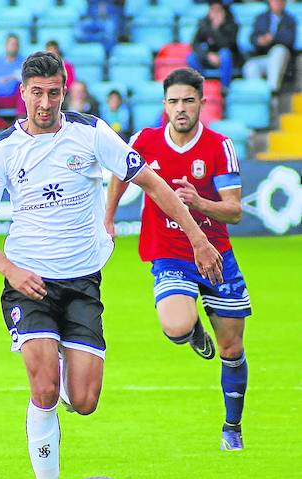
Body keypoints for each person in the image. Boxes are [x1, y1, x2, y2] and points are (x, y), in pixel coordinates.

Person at [0, 52, 222, 479]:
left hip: (82, 281)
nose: (45, 103)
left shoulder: (91, 133)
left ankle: (61, 370)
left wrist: (199, 238)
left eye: (54, 93)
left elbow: (155, 185)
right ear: (22, 94)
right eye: (37, 93)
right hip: (30, 282)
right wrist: (10, 271)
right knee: (42, 390)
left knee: (83, 402)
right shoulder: (2, 150)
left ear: (66, 92)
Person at [105, 67, 250, 451]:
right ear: (164, 105)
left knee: (232, 350)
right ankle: (192, 333)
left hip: (216, 254)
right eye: (173, 101)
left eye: (188, 100)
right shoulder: (145, 140)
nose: (180, 108)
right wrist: (108, 217)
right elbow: (120, 175)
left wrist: (200, 202)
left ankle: (232, 427)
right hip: (169, 251)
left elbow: (234, 211)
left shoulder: (220, 146)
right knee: (175, 327)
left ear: (202, 102)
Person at [242, 0, 297, 93]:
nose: (277, 4)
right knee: (250, 66)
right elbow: (252, 38)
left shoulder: (290, 19)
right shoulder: (261, 18)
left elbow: (289, 39)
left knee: (278, 50)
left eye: (279, 2)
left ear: (284, 3)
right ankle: (259, 96)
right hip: (263, 56)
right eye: (274, 1)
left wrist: (272, 38)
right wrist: (260, 40)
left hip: (282, 58)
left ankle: (272, 90)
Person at [187, 0, 240, 89]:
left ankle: (224, 88)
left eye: (218, 10)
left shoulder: (232, 24)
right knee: (191, 58)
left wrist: (216, 29)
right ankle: (201, 86)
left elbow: (228, 45)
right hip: (209, 57)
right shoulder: (204, 23)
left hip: (228, 59)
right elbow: (195, 44)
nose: (215, 14)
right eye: (213, 10)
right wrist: (207, 55)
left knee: (225, 53)